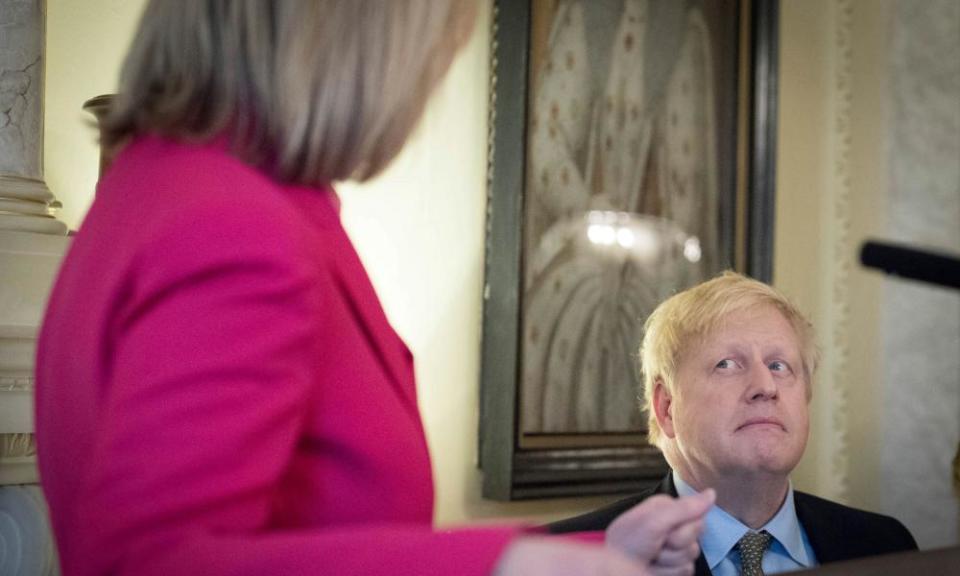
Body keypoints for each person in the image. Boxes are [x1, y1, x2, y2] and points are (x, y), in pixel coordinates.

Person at [34, 2, 714, 575]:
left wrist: (595, 550)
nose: (425, 89)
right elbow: (149, 561)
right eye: (432, 52)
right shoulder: (231, 220)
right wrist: (506, 564)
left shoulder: (164, 185)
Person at [548, 272, 918, 575]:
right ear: (667, 407)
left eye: (779, 366)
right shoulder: (570, 560)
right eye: (727, 364)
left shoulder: (885, 547)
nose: (764, 386)